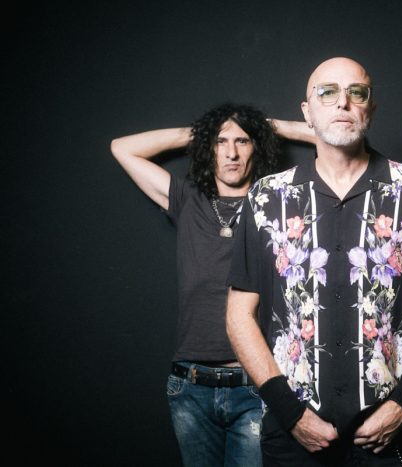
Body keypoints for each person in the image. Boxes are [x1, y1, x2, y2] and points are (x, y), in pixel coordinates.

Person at [225, 57, 402, 466]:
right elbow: (238, 315)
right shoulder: (267, 197)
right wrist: (289, 412)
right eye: (328, 92)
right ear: (307, 112)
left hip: (392, 438)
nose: (343, 103)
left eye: (357, 92)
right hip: (294, 441)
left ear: (371, 108)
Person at [110, 102, 279, 467]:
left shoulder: (276, 204)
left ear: (257, 147)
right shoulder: (188, 199)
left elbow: (332, 140)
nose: (231, 152)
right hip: (190, 385)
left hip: (254, 384)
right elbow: (121, 147)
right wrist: (202, 134)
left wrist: (270, 127)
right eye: (220, 142)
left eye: (242, 141)